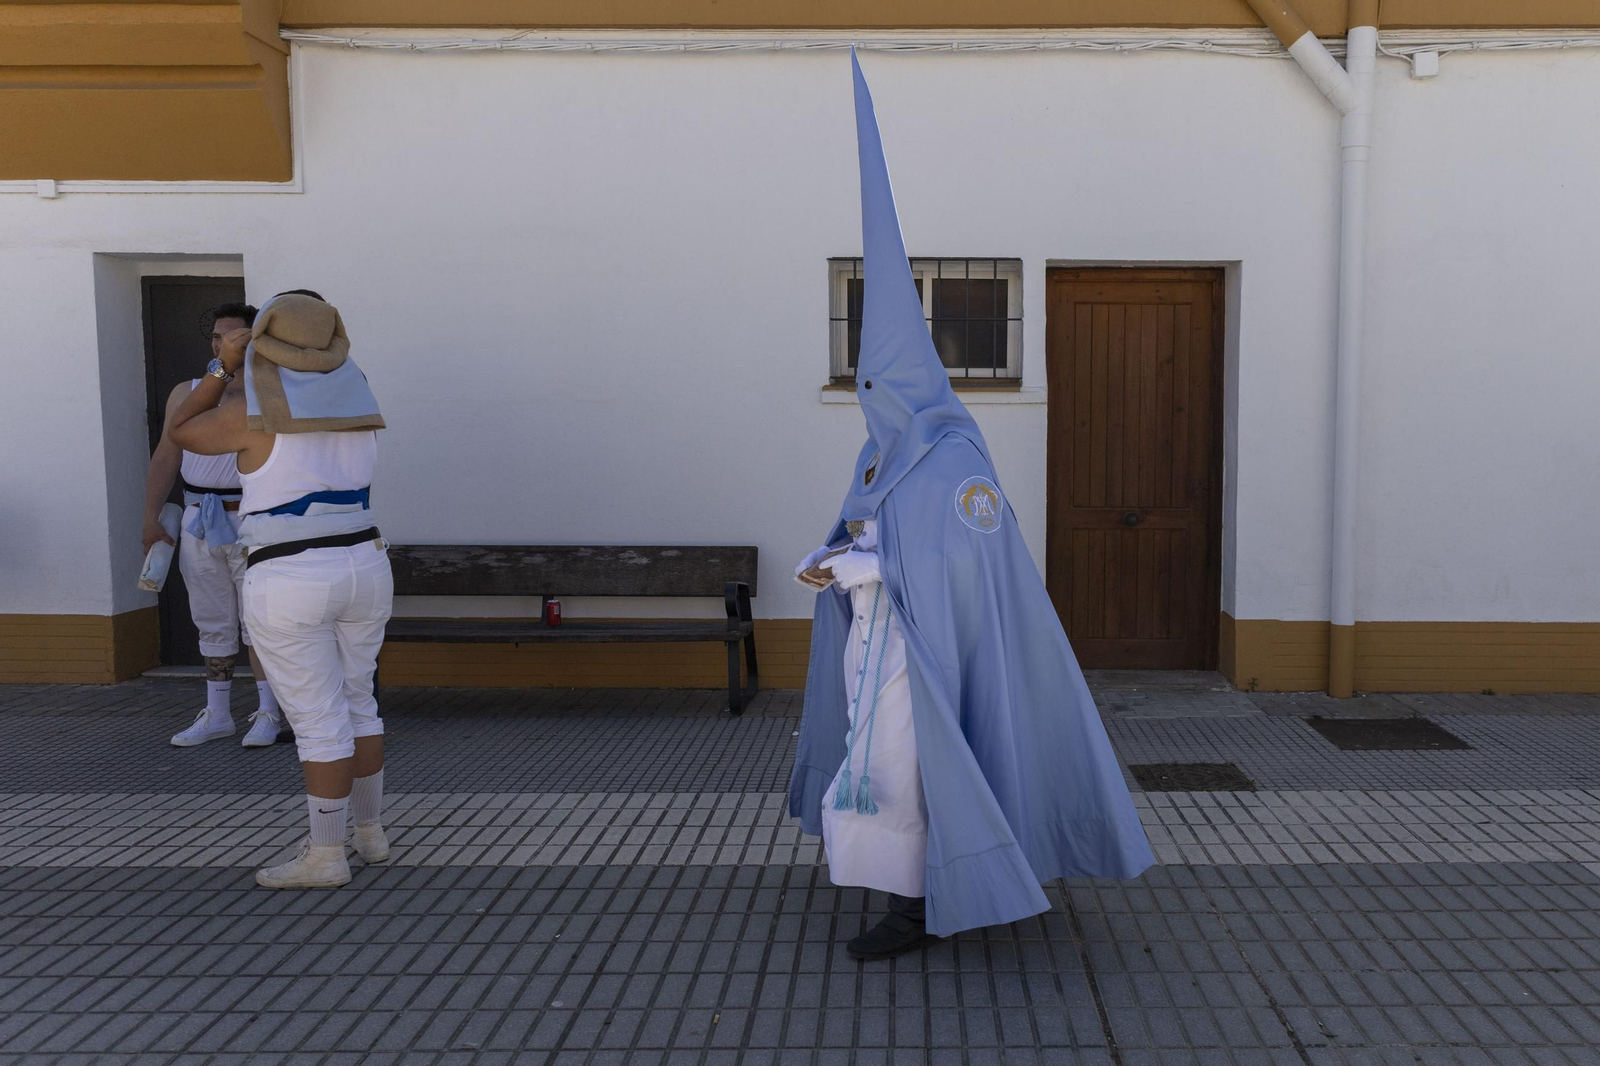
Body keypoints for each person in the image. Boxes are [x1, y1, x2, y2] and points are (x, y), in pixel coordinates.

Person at [788, 53, 1155, 961]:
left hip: (928, 657)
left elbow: (962, 560)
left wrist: (864, 565)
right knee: (881, 765)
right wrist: (834, 558)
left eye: (880, 386)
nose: (870, 401)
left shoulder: (955, 462)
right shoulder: (881, 452)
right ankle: (905, 885)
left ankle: (920, 906)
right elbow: (867, 527)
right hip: (878, 646)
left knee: (914, 769)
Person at [170, 289, 391, 889]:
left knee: (319, 720)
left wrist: (223, 367)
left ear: (261, 341)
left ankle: (326, 855)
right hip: (365, 561)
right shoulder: (359, 397)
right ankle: (369, 833)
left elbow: (180, 429)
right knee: (359, 703)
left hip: (291, 572)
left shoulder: (252, 412)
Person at [142, 302, 284, 748]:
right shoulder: (188, 392)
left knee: (258, 619)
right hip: (198, 518)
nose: (222, 344)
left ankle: (269, 712)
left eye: (232, 336)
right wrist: (149, 517)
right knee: (210, 618)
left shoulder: (267, 389)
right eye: (216, 337)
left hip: (252, 517)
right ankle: (218, 713)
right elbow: (167, 455)